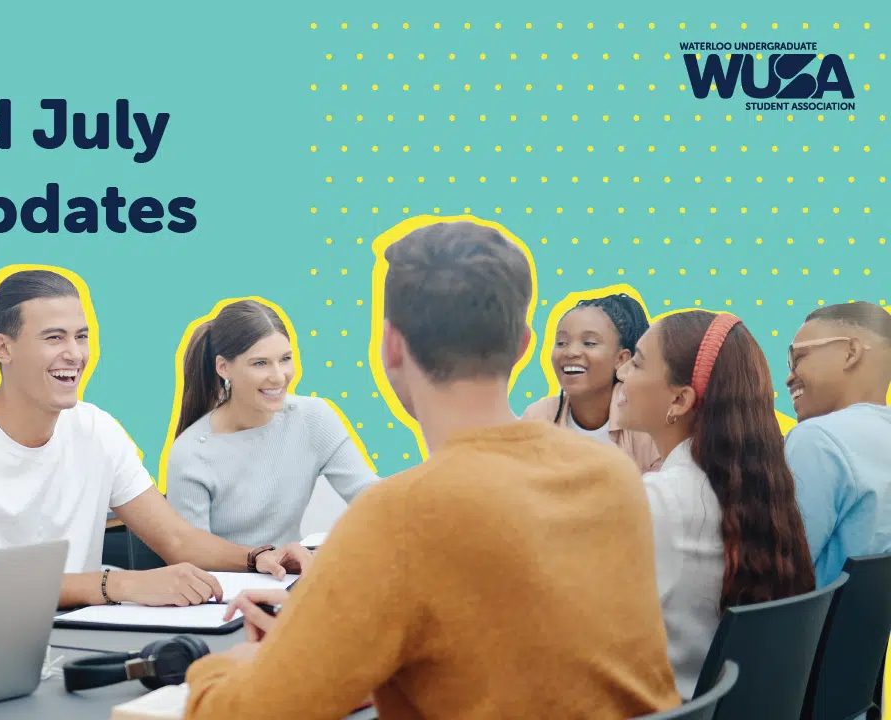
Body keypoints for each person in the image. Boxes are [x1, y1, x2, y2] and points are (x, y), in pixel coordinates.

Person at [183, 221, 681, 719]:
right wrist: (332, 637)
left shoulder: (400, 516)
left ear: (391, 347)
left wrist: (231, 666)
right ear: (525, 344)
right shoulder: (613, 480)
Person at [0, 270, 311, 610]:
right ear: (3, 348)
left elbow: (176, 538)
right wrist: (118, 585)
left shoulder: (96, 429)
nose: (75, 354)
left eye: (80, 336)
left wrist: (259, 558)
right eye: (54, 338)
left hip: (73, 643)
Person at [615, 310, 816, 698]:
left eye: (636, 363)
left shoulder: (659, 501)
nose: (621, 374)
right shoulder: (756, 490)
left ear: (680, 399)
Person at [165, 299, 378, 547]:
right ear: (223, 367)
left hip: (294, 578)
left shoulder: (314, 418)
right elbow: (195, 556)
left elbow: (371, 498)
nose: (278, 377)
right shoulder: (190, 453)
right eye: (260, 363)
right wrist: (262, 562)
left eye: (285, 359)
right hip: (227, 584)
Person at [783, 302, 891, 586]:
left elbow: (776, 575)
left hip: (802, 631)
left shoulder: (817, 440)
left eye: (799, 358)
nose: (789, 377)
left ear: (850, 353)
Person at [522, 294, 662, 473]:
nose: (571, 352)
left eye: (589, 343)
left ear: (621, 359)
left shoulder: (645, 426)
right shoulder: (537, 418)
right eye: (561, 342)